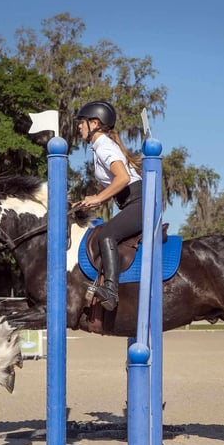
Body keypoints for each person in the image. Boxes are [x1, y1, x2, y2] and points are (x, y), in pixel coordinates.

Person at [75, 100, 143, 311]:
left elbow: (122, 178)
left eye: (82, 122)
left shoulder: (103, 144)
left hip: (139, 203)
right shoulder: (100, 147)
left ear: (94, 123)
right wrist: (89, 201)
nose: (79, 127)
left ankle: (111, 291)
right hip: (132, 203)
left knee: (107, 235)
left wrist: (97, 198)